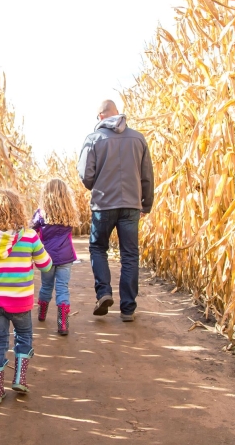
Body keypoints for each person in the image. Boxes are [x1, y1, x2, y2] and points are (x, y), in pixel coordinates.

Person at [0, 189, 52, 403]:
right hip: (21, 301)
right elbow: (46, 265)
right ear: (18, 209)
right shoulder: (29, 236)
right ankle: (19, 378)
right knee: (24, 336)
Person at [77, 100, 154, 322]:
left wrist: (97, 185)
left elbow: (85, 174)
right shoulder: (138, 138)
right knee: (129, 254)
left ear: (101, 116)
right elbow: (147, 174)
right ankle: (128, 309)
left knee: (98, 247)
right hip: (131, 205)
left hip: (103, 204)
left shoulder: (93, 139)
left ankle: (104, 293)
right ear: (118, 114)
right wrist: (145, 204)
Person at [31, 178, 80, 335]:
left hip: (47, 257)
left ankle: (42, 314)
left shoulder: (40, 213)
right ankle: (63, 324)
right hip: (66, 257)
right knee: (62, 288)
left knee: (46, 286)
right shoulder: (69, 212)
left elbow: (32, 230)